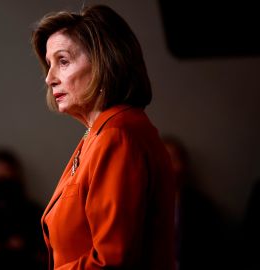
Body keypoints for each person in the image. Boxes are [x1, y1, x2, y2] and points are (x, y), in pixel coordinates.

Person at [31, 5, 175, 269]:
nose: (50, 78)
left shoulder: (116, 135)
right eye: (49, 65)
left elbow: (113, 261)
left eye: (63, 61)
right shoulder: (97, 134)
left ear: (103, 61)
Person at [163, 136, 229, 270]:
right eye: (162, 158)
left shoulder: (202, 207)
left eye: (173, 159)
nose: (167, 165)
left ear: (184, 165)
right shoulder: (136, 204)